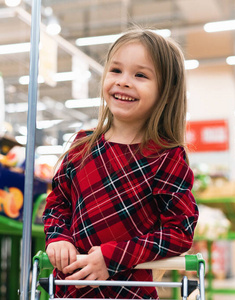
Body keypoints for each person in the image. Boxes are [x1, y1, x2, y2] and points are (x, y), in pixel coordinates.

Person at [42, 27, 199, 299]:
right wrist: (58, 237)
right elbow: (58, 204)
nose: (124, 81)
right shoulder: (82, 146)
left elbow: (179, 232)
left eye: (140, 75)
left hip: (130, 292)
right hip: (71, 289)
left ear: (166, 90)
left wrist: (111, 256)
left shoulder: (166, 156)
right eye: (116, 70)